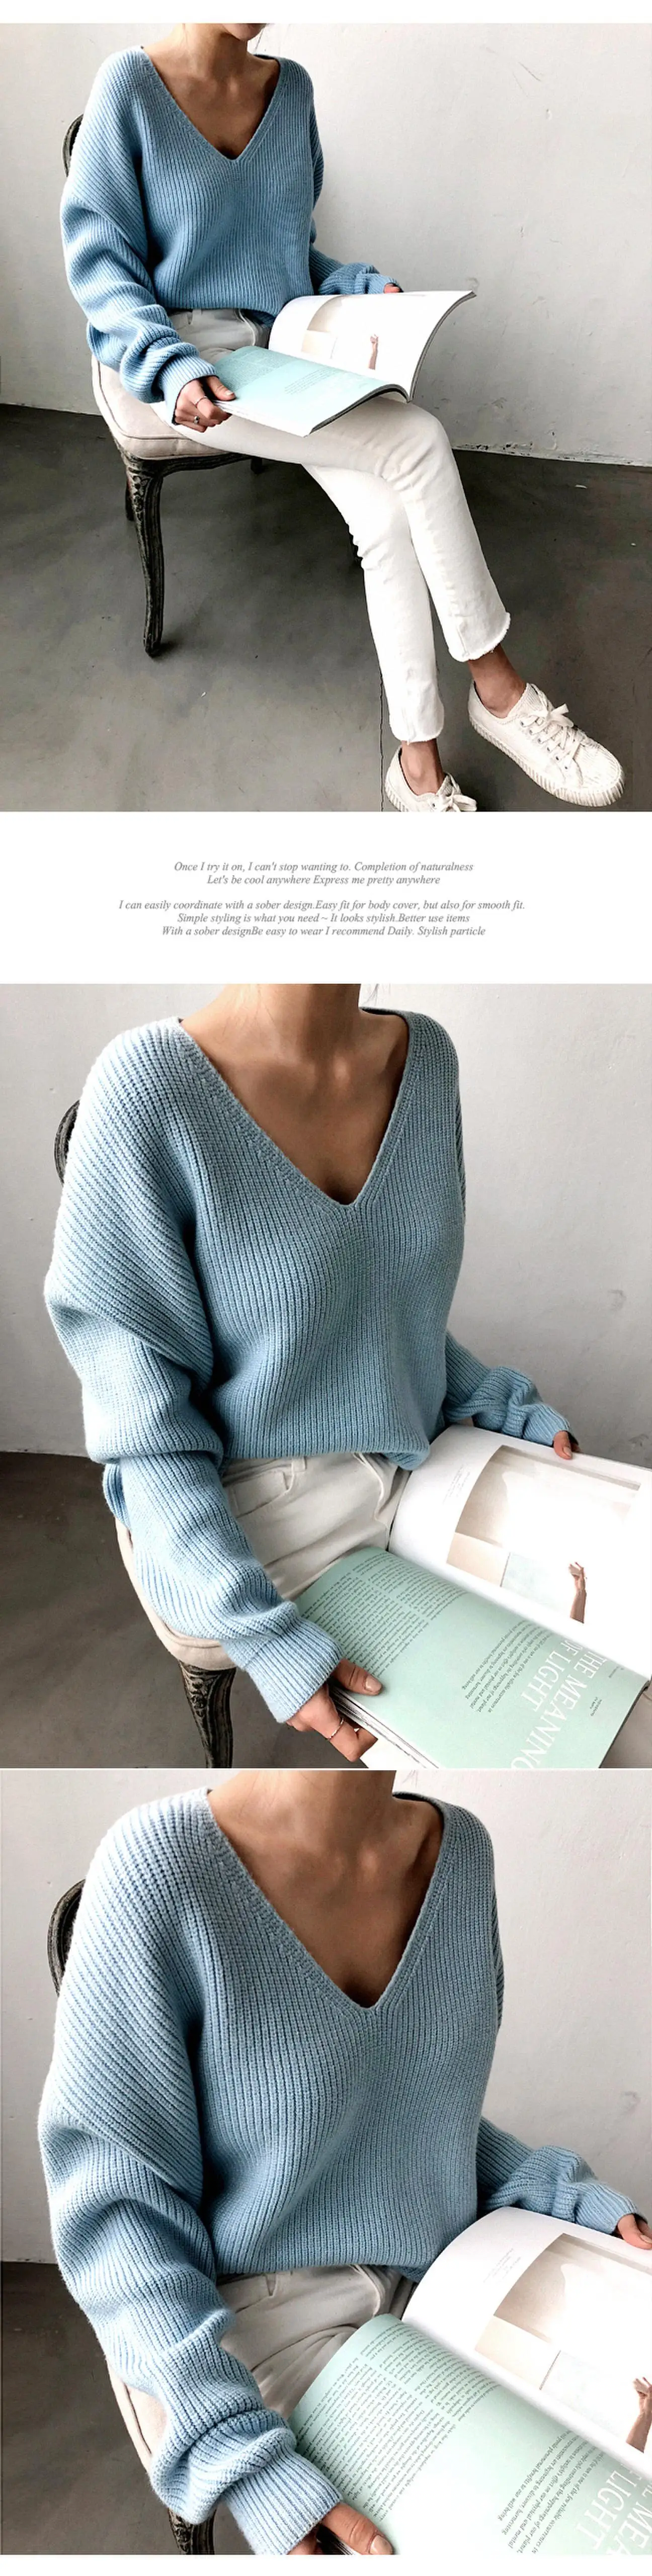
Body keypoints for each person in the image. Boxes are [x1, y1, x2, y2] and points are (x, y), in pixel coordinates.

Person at [38, 1770, 651, 2554]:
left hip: (449, 2275)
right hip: (266, 2315)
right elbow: (117, 2212)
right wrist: (235, 2447)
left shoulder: (462, 1855)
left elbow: (415, 2112)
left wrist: (554, 2189)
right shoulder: (159, 1867)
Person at [59, 23, 624, 813]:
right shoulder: (128, 87)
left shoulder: (291, 92)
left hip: (283, 345)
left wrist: (351, 284)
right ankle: (498, 688)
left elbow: (289, 254)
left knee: (387, 518)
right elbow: (101, 263)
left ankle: (417, 769)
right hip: (188, 363)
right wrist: (166, 362)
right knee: (418, 442)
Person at [45, 984, 578, 1760]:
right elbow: (145, 1431)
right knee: (507, 1746)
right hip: (239, 1508)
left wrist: (493, 1397)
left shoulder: (428, 1062)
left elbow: (384, 1315)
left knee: (591, 1659)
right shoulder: (147, 1087)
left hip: (412, 1460)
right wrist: (265, 1636)